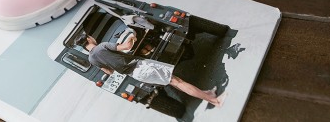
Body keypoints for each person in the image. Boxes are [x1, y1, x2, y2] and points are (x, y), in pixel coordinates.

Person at [79, 34, 226, 107]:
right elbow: (126, 47)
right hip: (141, 66)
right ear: (89, 39)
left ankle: (208, 94)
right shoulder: (102, 46)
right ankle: (214, 100)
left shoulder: (92, 60)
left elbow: (110, 72)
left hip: (135, 74)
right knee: (178, 82)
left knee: (173, 82)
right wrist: (131, 37)